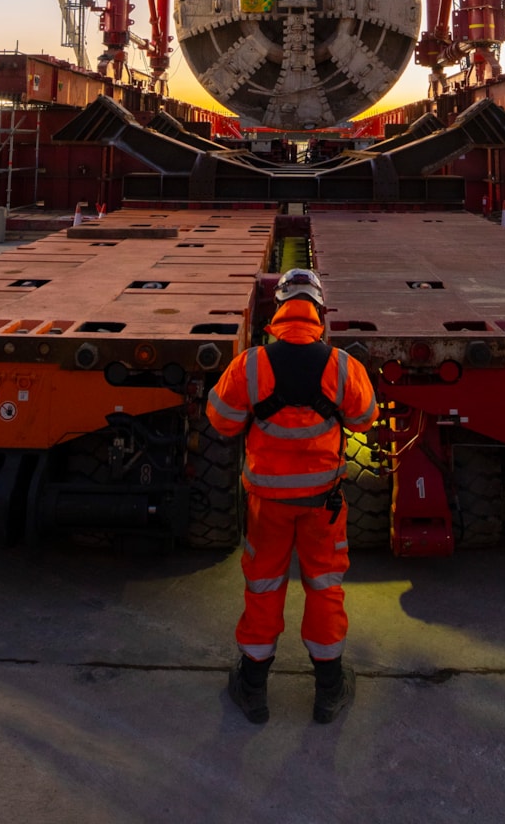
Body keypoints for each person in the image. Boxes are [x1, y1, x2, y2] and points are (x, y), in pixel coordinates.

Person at [206, 266, 378, 726]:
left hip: (268, 506)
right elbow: (365, 418)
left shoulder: (252, 365)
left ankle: (254, 689)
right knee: (324, 587)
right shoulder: (342, 366)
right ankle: (328, 692)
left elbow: (220, 420)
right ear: (319, 310)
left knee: (263, 587)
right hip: (323, 503)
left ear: (278, 308)